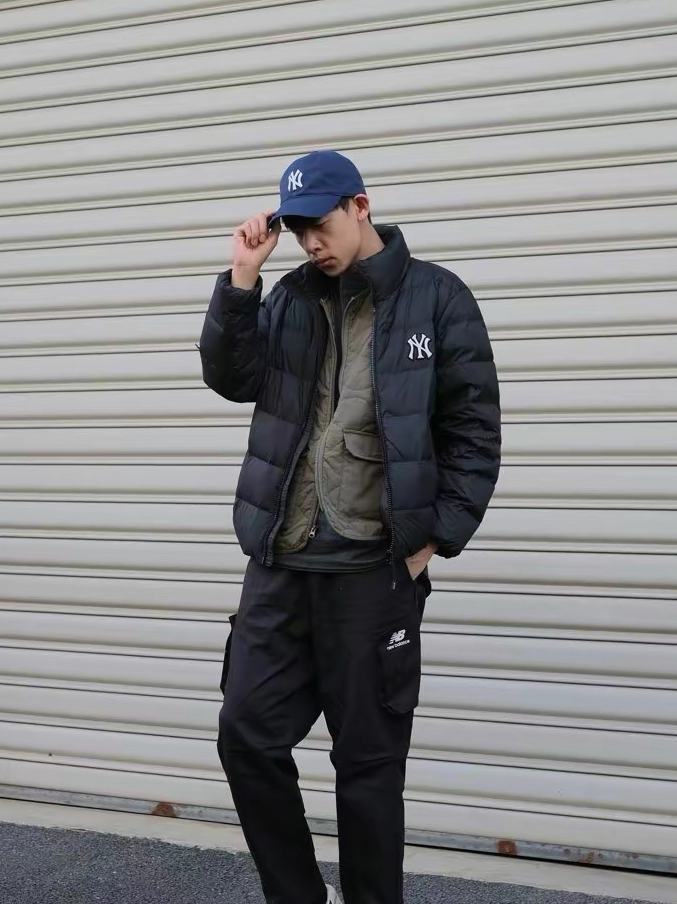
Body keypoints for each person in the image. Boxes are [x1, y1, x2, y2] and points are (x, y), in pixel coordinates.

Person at [197, 150, 501, 904]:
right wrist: (241, 280)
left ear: (360, 206)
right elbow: (231, 378)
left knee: (368, 768)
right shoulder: (288, 297)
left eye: (320, 224)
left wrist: (434, 539)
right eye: (297, 229)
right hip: (281, 562)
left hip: (372, 572)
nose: (310, 243)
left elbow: (473, 429)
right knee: (245, 735)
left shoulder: (436, 297)